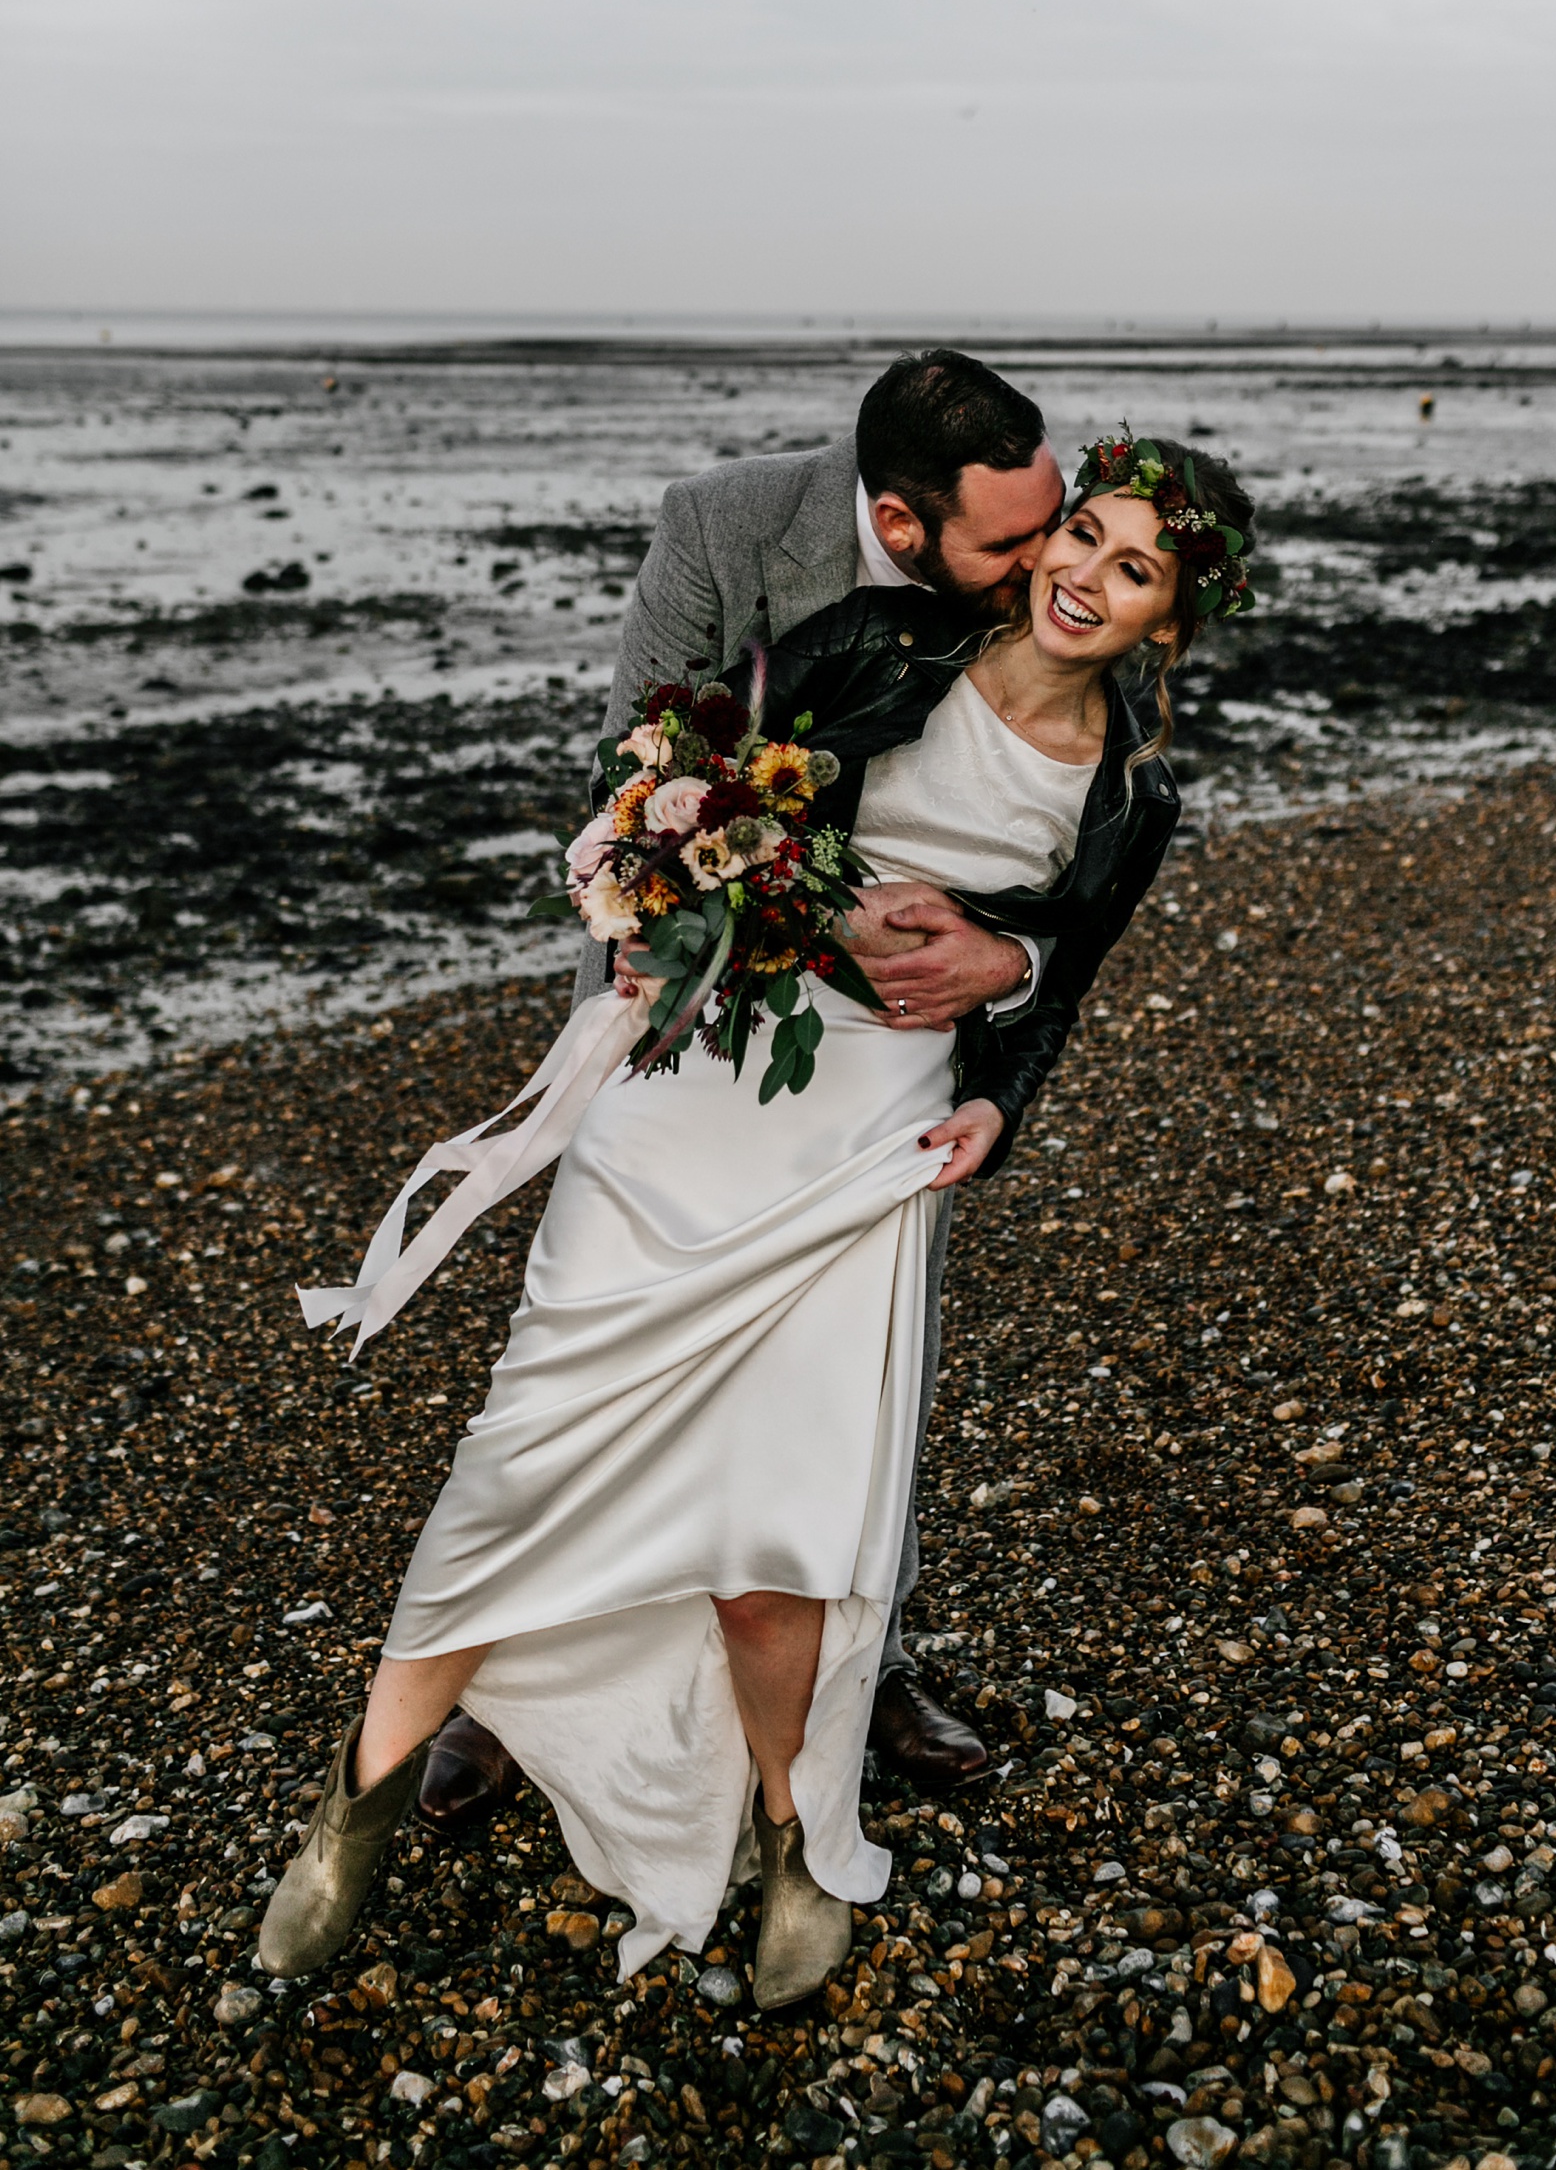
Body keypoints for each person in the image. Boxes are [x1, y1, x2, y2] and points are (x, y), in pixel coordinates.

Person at [257, 433, 1255, 2008]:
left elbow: (1061, 982)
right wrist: (785, 900)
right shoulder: (876, 641)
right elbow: (692, 803)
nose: (1086, 573)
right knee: (521, 1453)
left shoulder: (1136, 787)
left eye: (1136, 567)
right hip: (697, 1086)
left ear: (1170, 619)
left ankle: (796, 1833)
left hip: (872, 1135)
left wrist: (1007, 1047)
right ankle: (353, 1812)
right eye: (1085, 533)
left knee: (777, 1535)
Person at [421, 349, 1066, 1830]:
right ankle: (525, 1677)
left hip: (895, 1057)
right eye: (1010, 543)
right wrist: (808, 911)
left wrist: (1008, 968)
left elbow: (1067, 860)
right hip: (692, 1011)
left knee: (852, 1373)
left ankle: (860, 1658)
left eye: (1054, 527)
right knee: (604, 1357)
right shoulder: (721, 529)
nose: (1044, 566)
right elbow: (634, 783)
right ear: (902, 526)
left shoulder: (1051, 586)